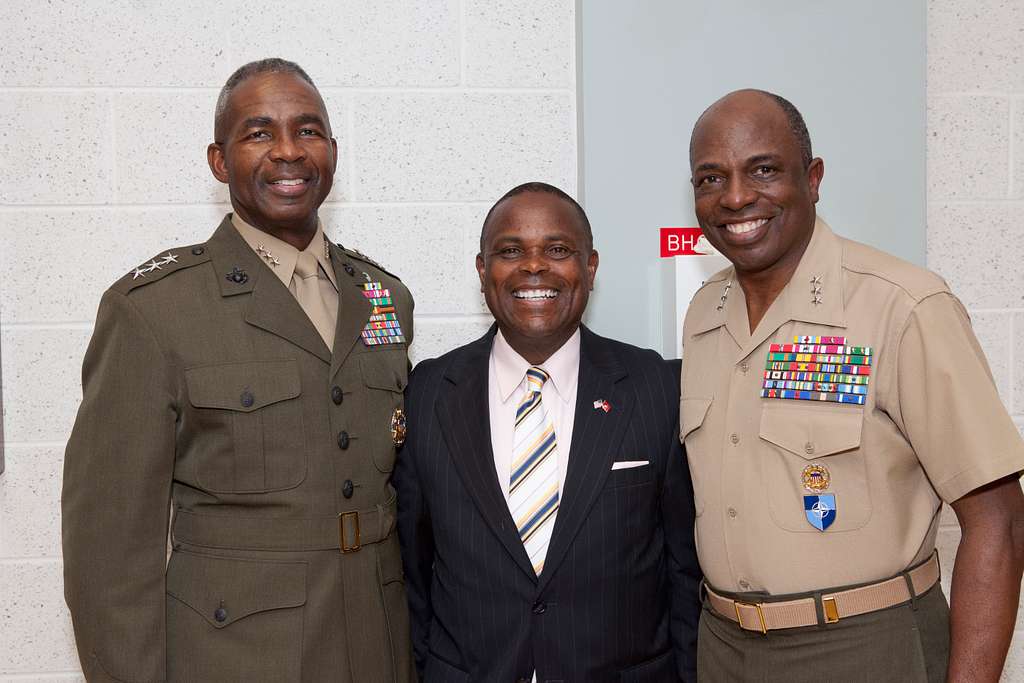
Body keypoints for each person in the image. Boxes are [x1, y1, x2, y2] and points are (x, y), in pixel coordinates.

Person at [62, 58, 415, 682]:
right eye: (258, 133)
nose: (288, 152)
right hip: (238, 658)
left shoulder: (385, 297)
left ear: (333, 151)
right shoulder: (155, 311)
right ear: (219, 161)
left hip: (375, 647)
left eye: (307, 132)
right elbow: (108, 554)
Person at [680, 89, 1024, 682]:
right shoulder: (704, 314)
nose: (735, 197)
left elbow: (999, 521)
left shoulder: (902, 305)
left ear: (812, 179)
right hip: (724, 648)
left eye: (762, 170)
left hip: (864, 647)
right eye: (712, 179)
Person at [393, 182, 701, 682]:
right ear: (482, 271)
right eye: (510, 251)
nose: (534, 267)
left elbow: (684, 573)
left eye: (558, 250)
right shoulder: (428, 391)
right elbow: (413, 567)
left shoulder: (654, 386)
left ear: (591, 267)